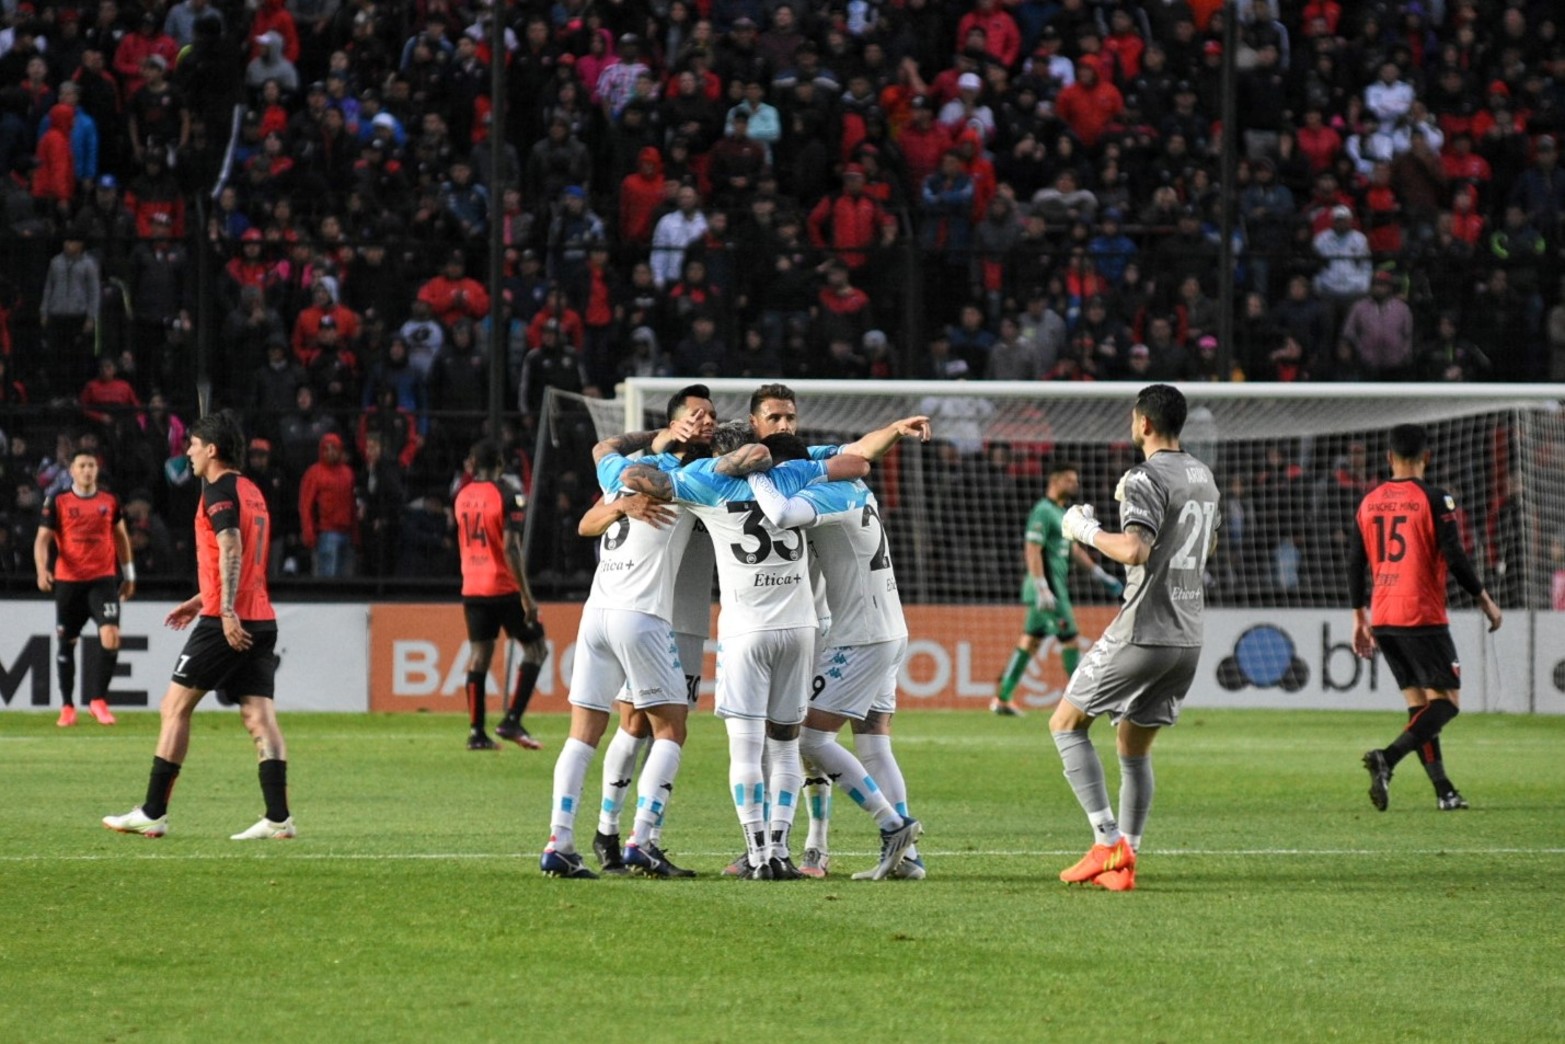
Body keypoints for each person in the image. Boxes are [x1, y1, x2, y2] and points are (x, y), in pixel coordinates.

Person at [620, 422, 872, 879]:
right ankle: (780, 851)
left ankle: (757, 856)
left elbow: (634, 477)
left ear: (720, 451)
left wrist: (697, 462)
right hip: (799, 628)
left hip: (746, 631)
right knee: (785, 745)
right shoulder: (789, 474)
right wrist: (800, 465)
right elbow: (857, 462)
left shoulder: (703, 478)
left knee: (745, 747)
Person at [1049, 384, 1220, 892]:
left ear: (1143, 422)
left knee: (1065, 724)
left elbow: (1134, 550)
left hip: (1144, 628)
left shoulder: (1144, 477)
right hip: (1188, 635)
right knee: (1132, 745)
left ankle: (1106, 843)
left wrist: (1084, 529)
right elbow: (1204, 547)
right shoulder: (1204, 476)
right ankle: (1128, 861)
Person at [539, 388, 714, 880]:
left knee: (583, 734)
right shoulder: (691, 477)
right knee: (671, 730)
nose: (705, 423)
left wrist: (624, 500)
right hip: (642, 616)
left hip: (597, 614)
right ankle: (640, 840)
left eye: (710, 416)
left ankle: (560, 841)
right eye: (697, 417)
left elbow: (595, 486)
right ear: (678, 427)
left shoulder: (622, 474)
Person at [102, 411, 295, 840]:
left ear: (211, 450)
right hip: (260, 618)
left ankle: (153, 811)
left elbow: (231, 547)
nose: (186, 451)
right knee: (259, 716)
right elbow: (243, 561)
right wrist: (199, 600)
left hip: (230, 620)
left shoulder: (218, 491)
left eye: (192, 444)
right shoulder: (251, 490)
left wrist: (222, 610)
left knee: (174, 707)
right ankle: (279, 818)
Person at [745, 433, 925, 881]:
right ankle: (909, 859)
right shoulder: (853, 487)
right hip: (888, 627)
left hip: (861, 634)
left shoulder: (823, 492)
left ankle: (893, 825)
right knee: (874, 743)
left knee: (809, 740)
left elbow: (783, 512)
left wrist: (753, 475)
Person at [1352, 424, 1502, 812]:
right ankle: (1388, 757)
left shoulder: (1369, 502)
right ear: (1427, 457)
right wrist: (1484, 598)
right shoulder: (1436, 499)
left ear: (1389, 458)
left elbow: (1355, 564)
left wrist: (1359, 618)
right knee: (1448, 703)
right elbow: (1454, 555)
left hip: (1383, 615)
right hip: (1420, 613)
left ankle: (1444, 791)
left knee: (1421, 709)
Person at [992, 461, 1123, 717]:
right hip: (1048, 591)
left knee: (1029, 642)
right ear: (1055, 481)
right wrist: (1042, 587)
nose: (1076, 484)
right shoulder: (1042, 511)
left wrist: (1100, 574)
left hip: (1053, 590)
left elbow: (1073, 550)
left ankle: (1002, 698)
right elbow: (1032, 549)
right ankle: (1083, 701)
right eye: (1070, 479)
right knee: (1071, 640)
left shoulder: (1063, 514)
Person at [452, 439, 546, 751]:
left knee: (479, 657)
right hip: (502, 586)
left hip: (472, 586)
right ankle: (511, 720)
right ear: (501, 465)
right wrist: (526, 596)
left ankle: (476, 733)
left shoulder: (462, 496)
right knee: (536, 648)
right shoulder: (507, 494)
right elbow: (509, 547)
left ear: (471, 465)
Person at [34, 448, 135, 727]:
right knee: (67, 641)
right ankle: (67, 706)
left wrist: (130, 575)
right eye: (82, 465)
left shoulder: (109, 500)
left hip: (102, 580)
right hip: (69, 581)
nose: (87, 470)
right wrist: (42, 570)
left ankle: (98, 701)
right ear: (72, 470)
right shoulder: (58, 500)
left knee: (111, 636)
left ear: (96, 469)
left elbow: (122, 538)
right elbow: (42, 539)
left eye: (91, 465)